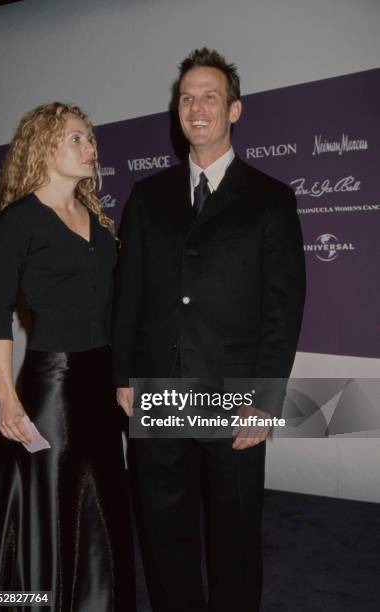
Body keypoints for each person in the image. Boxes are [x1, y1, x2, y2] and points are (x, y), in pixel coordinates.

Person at [112, 48, 306, 612]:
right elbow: (128, 296)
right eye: (186, 98)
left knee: (236, 536)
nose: (196, 108)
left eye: (210, 97)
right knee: (164, 532)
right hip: (160, 389)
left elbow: (283, 308)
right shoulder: (148, 198)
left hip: (235, 393)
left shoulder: (271, 200)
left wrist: (265, 399)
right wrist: (125, 375)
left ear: (235, 110)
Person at [0, 102, 136, 612]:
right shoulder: (19, 220)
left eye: (90, 138)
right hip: (52, 385)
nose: (90, 147)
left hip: (103, 381)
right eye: (76, 137)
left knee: (103, 505)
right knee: (51, 508)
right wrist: (6, 399)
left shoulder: (96, 221)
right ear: (44, 145)